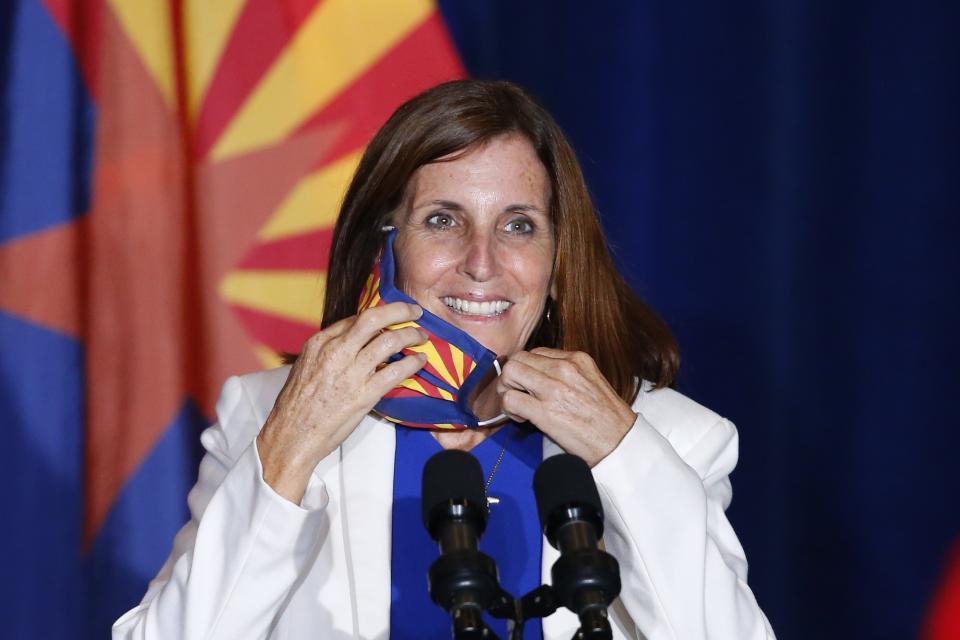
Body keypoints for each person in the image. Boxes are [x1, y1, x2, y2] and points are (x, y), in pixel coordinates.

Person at [113, 79, 776, 639]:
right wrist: (288, 449)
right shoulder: (265, 413)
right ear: (386, 247)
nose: (482, 263)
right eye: (442, 220)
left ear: (556, 261)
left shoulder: (670, 438)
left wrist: (622, 454)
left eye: (518, 225)